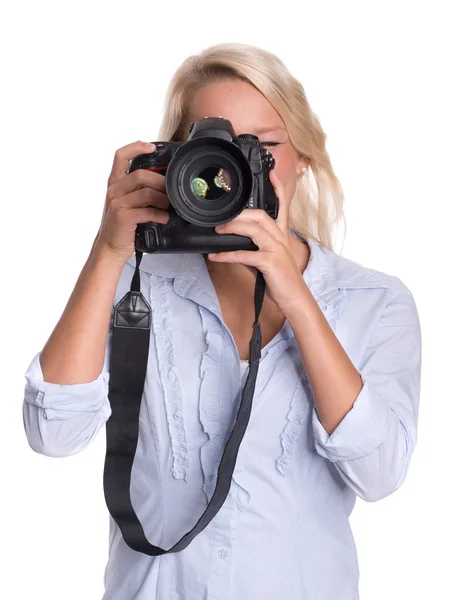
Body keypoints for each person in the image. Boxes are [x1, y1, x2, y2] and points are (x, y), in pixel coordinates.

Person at [22, 42, 422, 600]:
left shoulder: (374, 301)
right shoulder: (133, 284)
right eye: (214, 147)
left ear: (303, 157)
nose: (231, 167)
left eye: (260, 145)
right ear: (176, 161)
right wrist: (108, 250)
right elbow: (53, 435)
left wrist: (297, 298)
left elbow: (379, 474)